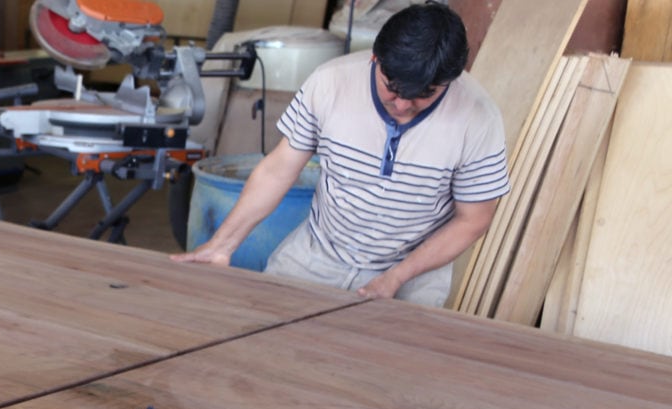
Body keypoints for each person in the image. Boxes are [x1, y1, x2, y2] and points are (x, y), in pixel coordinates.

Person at [173, 1, 509, 308]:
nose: (404, 105)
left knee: (382, 369)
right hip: (317, 254)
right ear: (375, 58)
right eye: (392, 88)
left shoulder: (477, 117)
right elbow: (278, 169)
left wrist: (398, 277)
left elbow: (474, 218)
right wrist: (222, 244)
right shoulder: (330, 83)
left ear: (451, 80)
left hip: (412, 274)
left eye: (424, 95)